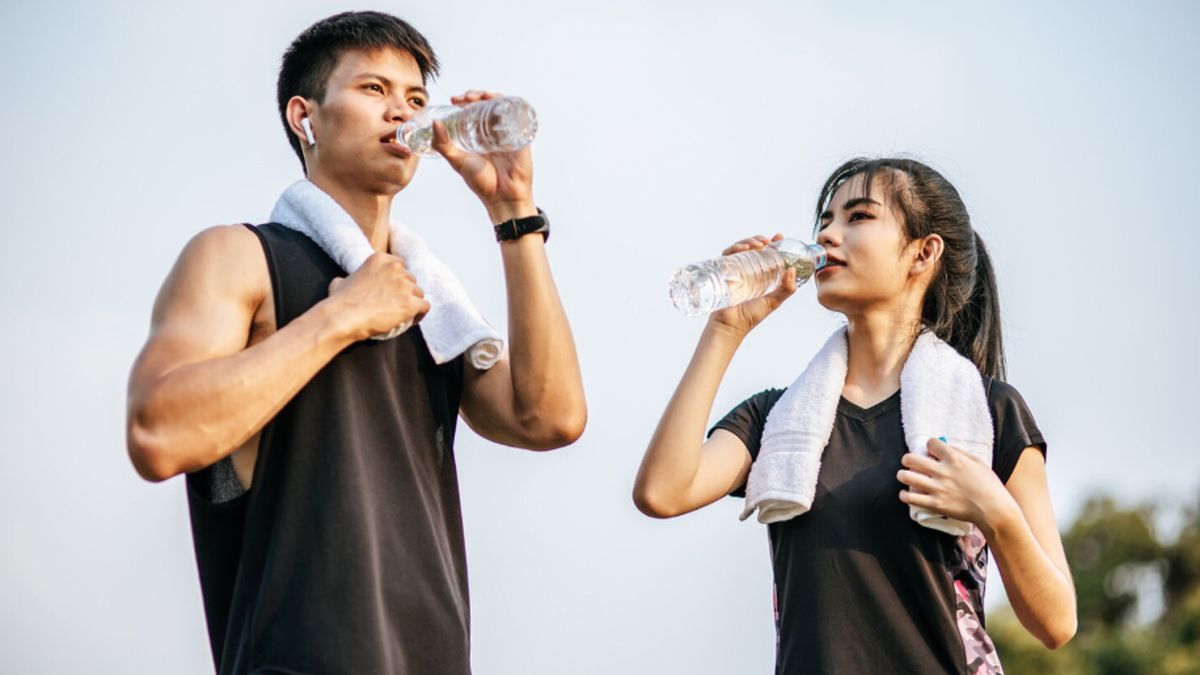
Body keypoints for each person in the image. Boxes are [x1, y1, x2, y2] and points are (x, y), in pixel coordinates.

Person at [125, 11, 586, 674]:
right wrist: (339, 318)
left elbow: (550, 417)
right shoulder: (239, 256)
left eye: (417, 98)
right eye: (374, 89)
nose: (402, 109)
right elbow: (157, 433)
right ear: (303, 117)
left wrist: (514, 210)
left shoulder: (428, 298)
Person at [633, 158, 1075, 674]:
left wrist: (994, 511)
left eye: (858, 216)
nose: (828, 235)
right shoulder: (776, 420)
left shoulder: (990, 410)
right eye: (825, 220)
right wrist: (725, 330)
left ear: (923, 253)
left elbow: (1056, 623)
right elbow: (661, 492)